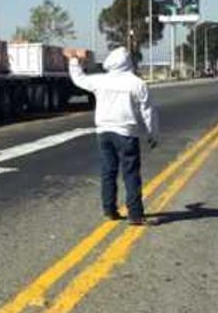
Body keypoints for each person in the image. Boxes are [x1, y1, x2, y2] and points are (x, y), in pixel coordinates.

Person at [67, 47, 158, 226]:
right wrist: (152, 133)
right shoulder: (137, 83)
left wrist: (73, 60)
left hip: (104, 132)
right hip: (125, 133)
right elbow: (148, 111)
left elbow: (79, 79)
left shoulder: (101, 81)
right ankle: (135, 214)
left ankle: (109, 210)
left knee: (108, 171)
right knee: (130, 174)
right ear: (128, 62)